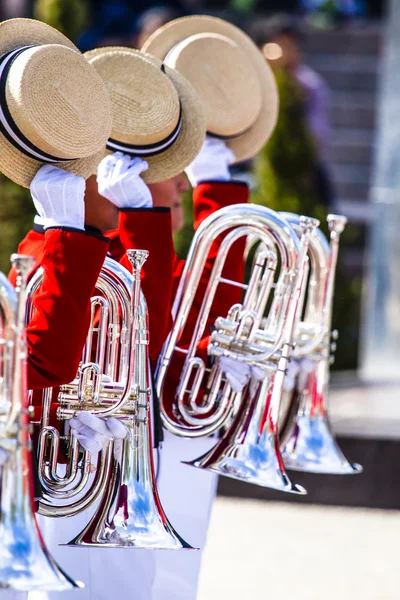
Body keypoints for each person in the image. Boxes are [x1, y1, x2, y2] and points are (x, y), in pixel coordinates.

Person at [253, 14, 334, 208]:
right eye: (276, 45)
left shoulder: (309, 86)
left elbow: (317, 133)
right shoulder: (254, 84)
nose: (283, 52)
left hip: (299, 175)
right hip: (258, 174)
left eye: (289, 45)